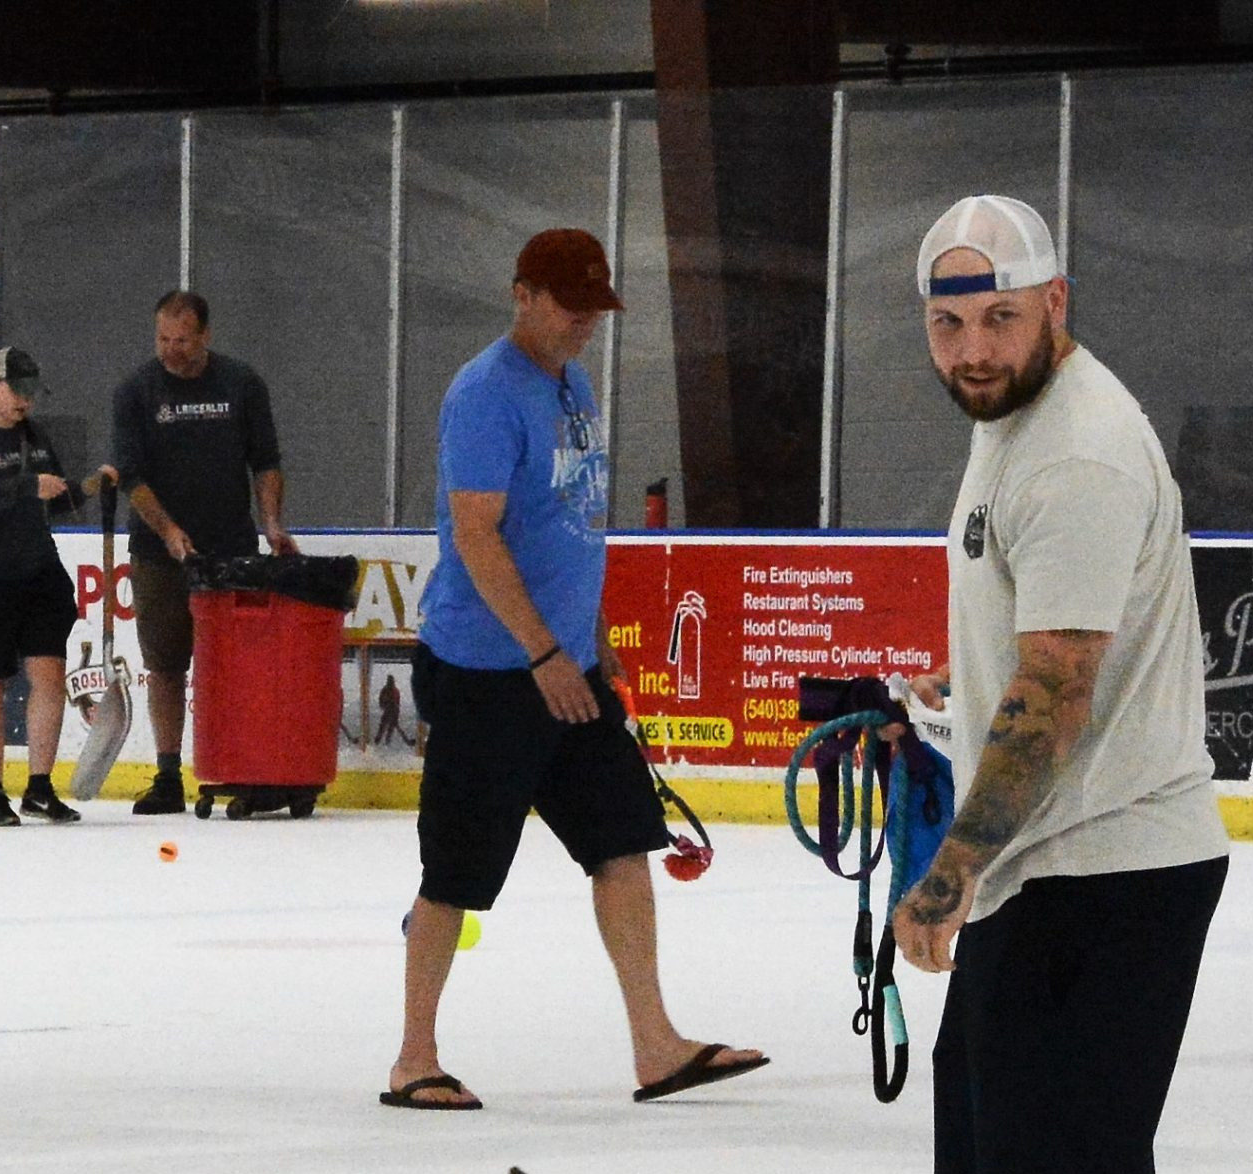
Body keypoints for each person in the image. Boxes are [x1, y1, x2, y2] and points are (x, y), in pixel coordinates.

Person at [890, 195, 1231, 1174]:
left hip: (1108, 877)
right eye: (951, 322)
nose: (974, 347)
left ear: (1057, 304)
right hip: (1061, 870)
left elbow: (1059, 686)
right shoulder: (1016, 430)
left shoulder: (1077, 452)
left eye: (999, 318)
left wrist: (950, 866)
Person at [386, 229, 767, 1113]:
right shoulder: (485, 393)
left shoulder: (575, 385)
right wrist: (546, 652)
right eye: (571, 304)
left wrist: (592, 645)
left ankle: (655, 1044)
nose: (587, 321)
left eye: (597, 306)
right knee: (456, 873)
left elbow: (568, 527)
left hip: (568, 670)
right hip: (491, 672)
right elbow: (475, 536)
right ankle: (413, 1057)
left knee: (622, 840)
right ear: (522, 294)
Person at [109, 290, 294, 815]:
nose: (171, 350)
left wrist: (273, 523)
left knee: (235, 666)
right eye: (163, 339)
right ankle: (168, 775)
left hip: (230, 548)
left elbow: (266, 461)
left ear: (206, 336)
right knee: (165, 663)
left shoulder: (242, 384)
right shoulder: (136, 392)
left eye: (183, 341)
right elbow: (133, 478)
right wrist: (168, 530)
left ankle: (239, 764)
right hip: (159, 552)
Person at [0, 347, 110, 825]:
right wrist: (25, 486)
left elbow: (53, 501)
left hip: (36, 570)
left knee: (50, 674)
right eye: (18, 392)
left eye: (32, 394)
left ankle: (39, 786)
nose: (26, 403)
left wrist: (89, 486)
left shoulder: (36, 437)